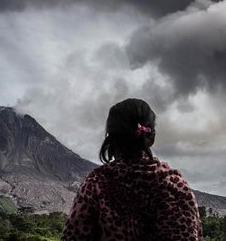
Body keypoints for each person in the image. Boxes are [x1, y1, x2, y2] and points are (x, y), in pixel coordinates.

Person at [62, 98, 202, 240]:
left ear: (111, 140)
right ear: (151, 138)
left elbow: (73, 236)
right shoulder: (177, 187)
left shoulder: (96, 184)